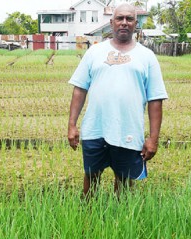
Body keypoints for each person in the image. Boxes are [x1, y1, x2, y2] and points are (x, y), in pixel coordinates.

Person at [67, 3, 168, 198]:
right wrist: (72, 125)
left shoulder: (147, 56)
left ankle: (119, 223)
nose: (124, 23)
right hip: (95, 129)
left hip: (128, 131)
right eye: (120, 18)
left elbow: (155, 100)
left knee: (124, 183)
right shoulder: (94, 52)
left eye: (129, 19)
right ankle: (88, 220)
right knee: (91, 178)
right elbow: (79, 89)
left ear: (135, 24)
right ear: (112, 22)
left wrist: (153, 138)